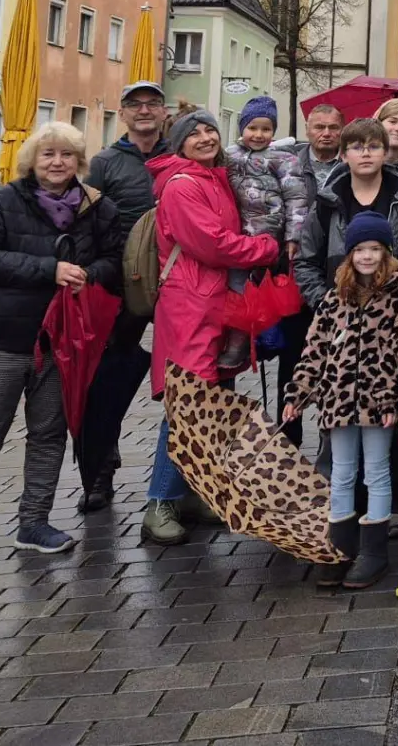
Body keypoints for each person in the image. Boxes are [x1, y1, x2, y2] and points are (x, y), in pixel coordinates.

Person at [0, 123, 124, 576]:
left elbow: (114, 259)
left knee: (47, 436)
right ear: (32, 159)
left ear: (79, 162)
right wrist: (50, 270)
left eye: (67, 155)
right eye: (48, 154)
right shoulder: (2, 201)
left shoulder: (96, 208)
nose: (57, 163)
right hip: (1, 340)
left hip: (61, 343)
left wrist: (91, 274)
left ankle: (34, 523)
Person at [143, 111, 281, 546]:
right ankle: (159, 503)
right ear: (178, 144)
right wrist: (266, 247)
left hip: (213, 301)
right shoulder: (183, 185)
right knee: (187, 402)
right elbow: (213, 244)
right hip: (191, 302)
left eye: (209, 130)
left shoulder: (211, 176)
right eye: (193, 133)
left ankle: (192, 493)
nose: (204, 137)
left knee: (213, 401)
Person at [281, 212, 398, 589]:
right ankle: (338, 546)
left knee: (376, 471)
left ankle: (374, 551)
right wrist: (299, 393)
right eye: (360, 249)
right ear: (349, 254)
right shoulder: (334, 297)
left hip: (377, 403)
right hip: (337, 400)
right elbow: (315, 349)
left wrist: (390, 398)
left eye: (374, 249)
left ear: (386, 252)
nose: (367, 256)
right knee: (341, 472)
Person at [79, 81, 169, 512]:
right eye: (137, 105)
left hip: (174, 283)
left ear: (165, 112)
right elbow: (87, 222)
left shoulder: (181, 154)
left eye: (153, 103)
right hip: (121, 281)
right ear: (125, 113)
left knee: (186, 377)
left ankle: (184, 481)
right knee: (108, 376)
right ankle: (100, 470)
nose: (145, 111)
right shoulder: (104, 163)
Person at [296, 118, 398, 304]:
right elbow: (306, 260)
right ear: (344, 155)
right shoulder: (327, 202)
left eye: (374, 147)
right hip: (343, 312)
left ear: (385, 152)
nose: (366, 153)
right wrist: (325, 303)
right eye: (357, 147)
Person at [277, 103, 347, 448]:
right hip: (294, 276)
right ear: (307, 128)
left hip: (335, 276)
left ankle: (329, 444)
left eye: (333, 127)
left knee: (336, 365)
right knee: (292, 363)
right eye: (319, 127)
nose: (326, 134)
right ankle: (287, 444)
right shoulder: (289, 163)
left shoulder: (349, 167)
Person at [222, 96, 309, 368]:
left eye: (266, 129)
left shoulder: (283, 158)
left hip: (268, 235)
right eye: (253, 128)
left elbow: (296, 197)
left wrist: (293, 236)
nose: (258, 135)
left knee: (259, 291)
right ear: (242, 128)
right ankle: (238, 342)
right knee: (236, 288)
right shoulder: (228, 155)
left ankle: (251, 341)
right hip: (235, 234)